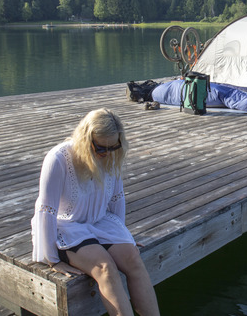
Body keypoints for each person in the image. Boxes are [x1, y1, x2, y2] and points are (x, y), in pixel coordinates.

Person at [31, 108, 159, 316]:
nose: (106, 153)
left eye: (113, 146)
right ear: (85, 139)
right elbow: (46, 210)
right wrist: (53, 260)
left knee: (133, 258)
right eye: (100, 148)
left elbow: (117, 198)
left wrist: (123, 237)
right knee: (105, 268)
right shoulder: (58, 159)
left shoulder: (112, 156)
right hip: (66, 227)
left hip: (99, 222)